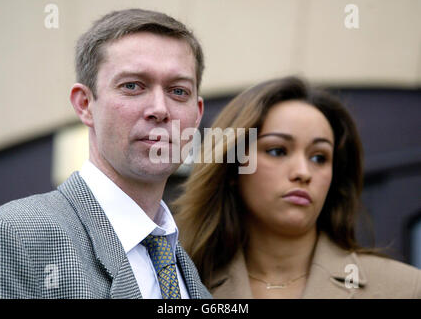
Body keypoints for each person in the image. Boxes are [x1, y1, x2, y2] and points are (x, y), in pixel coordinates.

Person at [0, 8, 211, 299]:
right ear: (84, 104)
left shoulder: (191, 275)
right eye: (132, 86)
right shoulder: (14, 236)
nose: (160, 109)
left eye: (178, 91)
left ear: (197, 115)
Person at [174, 76, 421, 299]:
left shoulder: (406, 289)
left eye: (319, 157)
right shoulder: (181, 287)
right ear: (232, 167)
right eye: (277, 151)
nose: (303, 173)